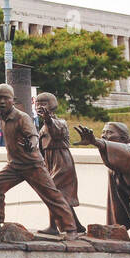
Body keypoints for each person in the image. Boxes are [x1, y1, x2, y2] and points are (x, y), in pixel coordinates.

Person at [0, 76, 79, 238]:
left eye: (5, 98)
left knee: (52, 196)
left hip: (33, 165)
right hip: (14, 166)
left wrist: (32, 144)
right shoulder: (1, 114)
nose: (1, 101)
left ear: (13, 100)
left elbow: (33, 135)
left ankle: (71, 229)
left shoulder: (22, 118)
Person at [34, 91, 84, 234]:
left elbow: (56, 133)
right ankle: (77, 225)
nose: (39, 107)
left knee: (52, 191)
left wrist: (48, 120)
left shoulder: (59, 122)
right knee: (61, 195)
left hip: (61, 160)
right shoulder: (43, 126)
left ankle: (53, 227)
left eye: (43, 103)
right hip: (50, 161)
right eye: (37, 104)